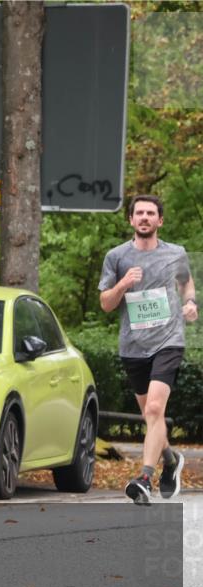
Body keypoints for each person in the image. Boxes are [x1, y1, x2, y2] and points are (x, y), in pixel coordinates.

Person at [99, 194, 197, 505]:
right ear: (131, 220)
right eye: (139, 213)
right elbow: (106, 304)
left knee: (155, 410)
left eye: (150, 213)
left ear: (159, 220)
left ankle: (144, 477)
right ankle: (170, 460)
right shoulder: (117, 257)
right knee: (149, 416)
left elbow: (186, 283)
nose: (144, 217)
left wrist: (191, 303)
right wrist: (123, 284)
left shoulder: (175, 253)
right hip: (133, 345)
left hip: (168, 341)